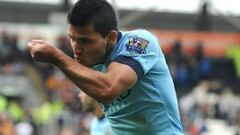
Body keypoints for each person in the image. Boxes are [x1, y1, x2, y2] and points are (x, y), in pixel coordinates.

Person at [27, 0, 183, 134]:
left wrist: (57, 57)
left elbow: (108, 89)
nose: (76, 48)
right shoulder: (90, 61)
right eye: (72, 39)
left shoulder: (138, 42)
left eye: (85, 41)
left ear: (111, 38)